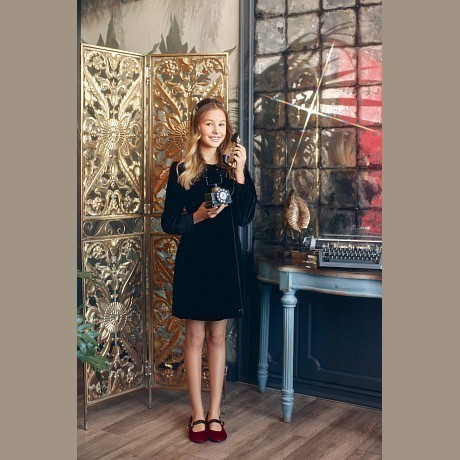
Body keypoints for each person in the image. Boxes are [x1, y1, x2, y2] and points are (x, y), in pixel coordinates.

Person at [161, 98, 257, 443]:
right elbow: (169, 222)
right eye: (208, 124)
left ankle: (215, 412)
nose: (216, 131)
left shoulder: (232, 170)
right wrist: (198, 216)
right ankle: (197, 413)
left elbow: (245, 217)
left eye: (221, 124)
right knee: (195, 338)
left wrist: (241, 172)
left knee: (218, 337)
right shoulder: (181, 170)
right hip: (195, 261)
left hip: (225, 261)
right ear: (197, 128)